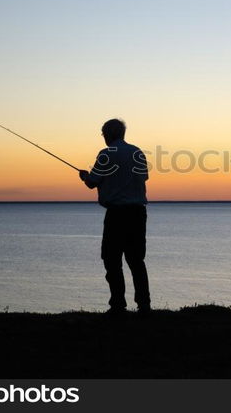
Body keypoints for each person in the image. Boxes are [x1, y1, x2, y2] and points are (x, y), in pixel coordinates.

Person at [79, 118, 151, 316]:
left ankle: (118, 305)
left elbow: (92, 182)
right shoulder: (137, 152)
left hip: (117, 215)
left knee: (112, 260)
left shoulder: (106, 154)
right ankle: (144, 305)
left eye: (103, 134)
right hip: (137, 213)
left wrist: (85, 177)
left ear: (108, 135)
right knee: (136, 261)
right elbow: (143, 177)